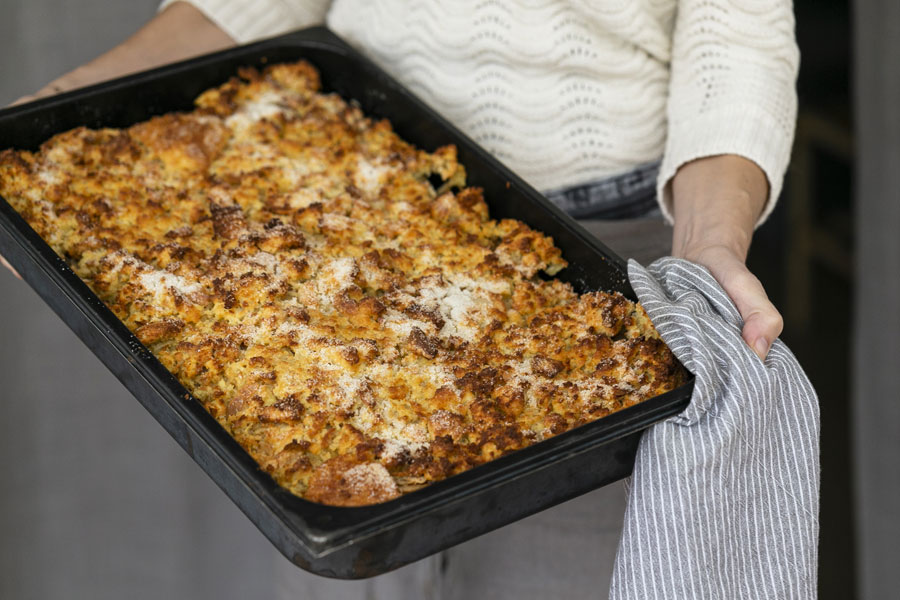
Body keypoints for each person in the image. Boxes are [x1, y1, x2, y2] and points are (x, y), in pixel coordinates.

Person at [3, 1, 798, 597]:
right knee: (339, 510)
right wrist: (60, 104)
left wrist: (709, 246)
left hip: (606, 244)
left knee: (571, 562)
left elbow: (735, 35)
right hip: (335, 165)